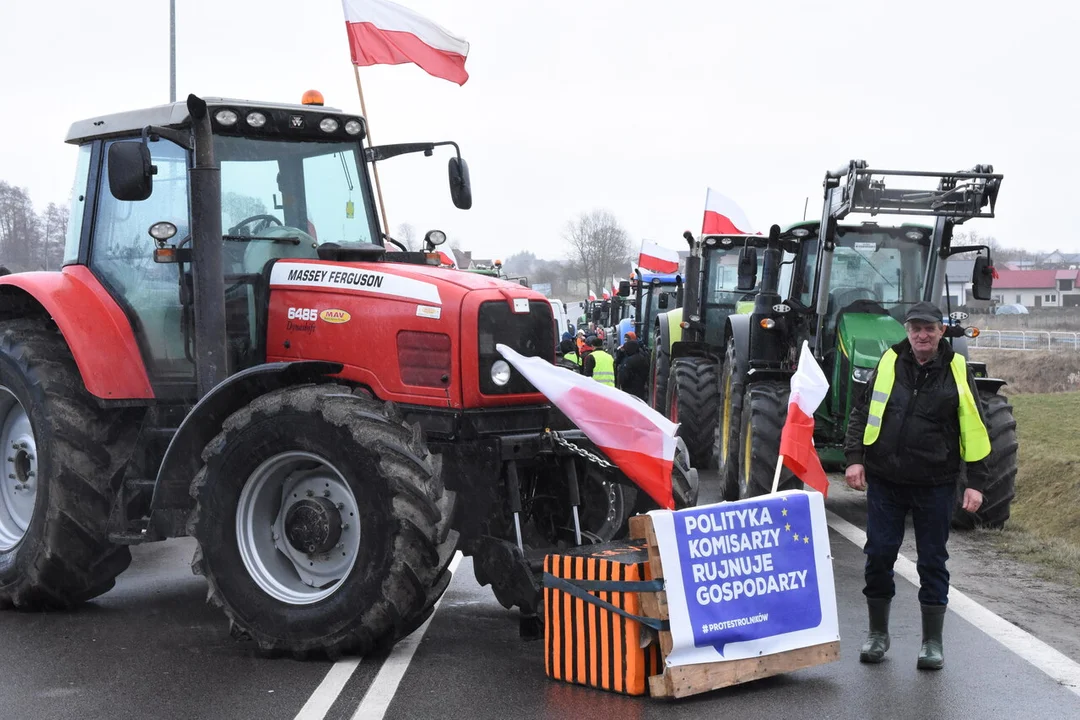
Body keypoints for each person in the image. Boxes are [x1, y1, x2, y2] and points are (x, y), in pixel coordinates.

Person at [844, 301, 991, 671]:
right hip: (886, 480)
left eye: (929, 329)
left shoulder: (957, 370)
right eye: (915, 329)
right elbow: (863, 411)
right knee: (878, 554)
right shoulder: (890, 362)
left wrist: (975, 482)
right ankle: (878, 634)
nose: (922, 336)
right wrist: (855, 457)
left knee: (932, 560)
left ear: (941, 331)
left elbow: (974, 426)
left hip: (935, 483)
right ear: (907, 331)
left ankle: (932, 642)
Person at [616, 333, 649, 400]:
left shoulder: (629, 361)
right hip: (640, 388)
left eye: (627, 339)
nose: (626, 341)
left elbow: (624, 377)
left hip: (629, 389)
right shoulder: (642, 357)